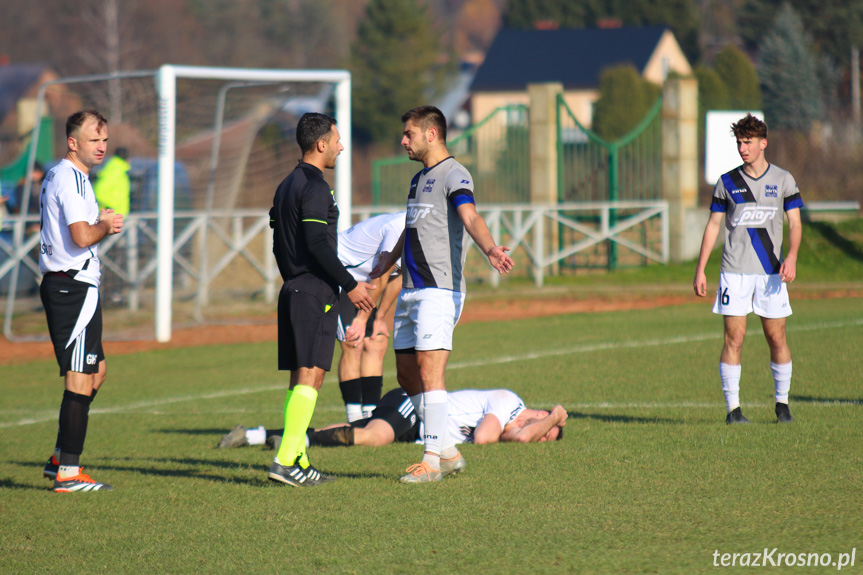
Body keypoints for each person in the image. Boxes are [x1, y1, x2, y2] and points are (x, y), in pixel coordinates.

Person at [371, 106, 514, 484]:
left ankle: (431, 461)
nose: (403, 140)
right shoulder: (418, 180)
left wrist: (491, 249)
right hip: (411, 290)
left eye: (409, 134)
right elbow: (413, 225)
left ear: (431, 134)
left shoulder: (455, 173)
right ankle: (448, 450)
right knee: (406, 374)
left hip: (439, 289)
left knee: (430, 372)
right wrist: (388, 259)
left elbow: (470, 217)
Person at [267, 112, 376, 487]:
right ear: (321, 144)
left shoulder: (286, 184)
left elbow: (280, 241)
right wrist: (350, 284)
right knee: (311, 376)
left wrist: (293, 276)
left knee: (301, 377)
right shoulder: (314, 186)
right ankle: (284, 460)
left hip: (295, 287)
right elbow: (315, 243)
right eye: (338, 140)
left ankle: (297, 457)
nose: (342, 147)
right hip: (313, 290)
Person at [693, 113, 804, 425]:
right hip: (734, 272)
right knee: (734, 338)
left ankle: (782, 405)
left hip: (771, 272)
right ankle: (733, 410)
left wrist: (792, 256)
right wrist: (701, 269)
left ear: (763, 143)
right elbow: (714, 225)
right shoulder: (727, 182)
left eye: (748, 142)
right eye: (739, 142)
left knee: (776, 336)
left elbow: (795, 223)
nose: (742, 148)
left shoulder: (783, 180)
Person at [39, 110, 124, 492]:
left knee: (97, 372)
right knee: (79, 376)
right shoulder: (71, 179)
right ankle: (68, 474)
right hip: (71, 287)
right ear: (73, 143)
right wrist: (106, 224)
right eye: (94, 139)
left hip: (76, 286)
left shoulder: (67, 175)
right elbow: (82, 237)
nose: (102, 146)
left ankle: (60, 457)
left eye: (104, 139)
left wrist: (99, 219)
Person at [217, 388, 567, 450]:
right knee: (373, 438)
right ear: (535, 413)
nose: (532, 434)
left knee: (351, 433)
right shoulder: (508, 402)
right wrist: (553, 418)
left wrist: (543, 427)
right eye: (538, 427)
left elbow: (518, 438)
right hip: (411, 406)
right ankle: (291, 443)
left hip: (413, 424)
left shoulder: (518, 427)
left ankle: (253, 436)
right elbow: (484, 439)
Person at [336, 211, 406, 422]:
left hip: (369, 281)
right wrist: (361, 320)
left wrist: (381, 316)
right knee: (353, 343)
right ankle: (355, 417)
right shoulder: (398, 228)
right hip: (342, 276)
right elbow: (381, 276)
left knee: (377, 342)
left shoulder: (428, 233)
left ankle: (371, 414)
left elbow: (399, 274)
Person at [93, 147, 131, 216]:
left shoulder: (119, 169)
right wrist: (108, 207)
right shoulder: (115, 170)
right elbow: (99, 190)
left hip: (116, 214)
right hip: (111, 214)